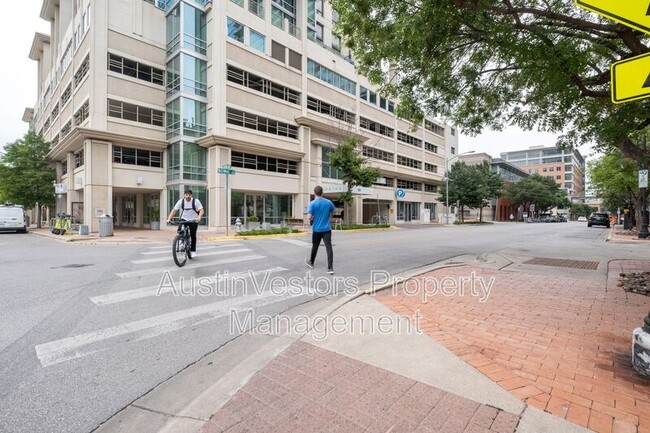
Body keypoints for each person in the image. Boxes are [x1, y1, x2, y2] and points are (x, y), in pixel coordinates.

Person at [305, 185, 336, 274]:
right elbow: (333, 210)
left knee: (315, 246)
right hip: (327, 229)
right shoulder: (328, 202)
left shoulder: (312, 203)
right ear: (322, 193)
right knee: (329, 248)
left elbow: (309, 217)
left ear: (314, 193)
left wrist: (312, 216)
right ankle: (330, 268)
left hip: (317, 229)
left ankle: (311, 262)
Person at [167, 189, 205, 256]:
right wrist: (169, 219)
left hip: (194, 220)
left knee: (193, 235)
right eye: (186, 195)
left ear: (191, 195)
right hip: (184, 219)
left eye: (189, 195)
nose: (188, 196)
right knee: (180, 229)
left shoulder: (195, 201)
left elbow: (201, 210)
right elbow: (174, 210)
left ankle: (193, 251)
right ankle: (181, 241)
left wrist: (199, 217)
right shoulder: (181, 201)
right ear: (184, 195)